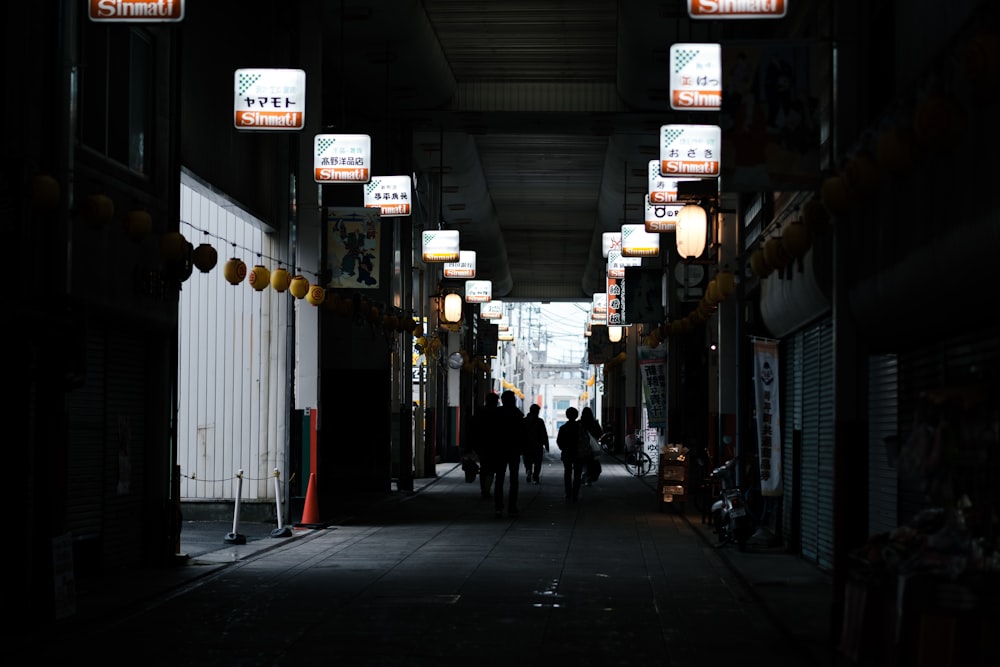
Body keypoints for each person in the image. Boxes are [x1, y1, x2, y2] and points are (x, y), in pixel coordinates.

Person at [490, 390, 527, 517]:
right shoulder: (518, 414)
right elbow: (522, 434)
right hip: (514, 450)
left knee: (499, 478)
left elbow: (491, 432)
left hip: (499, 449)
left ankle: (498, 506)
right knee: (514, 479)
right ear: (513, 400)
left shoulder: (496, 413)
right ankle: (512, 506)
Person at [467, 392, 499, 500]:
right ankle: (487, 489)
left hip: (480, 445)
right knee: (490, 468)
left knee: (484, 467)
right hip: (493, 445)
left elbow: (471, 429)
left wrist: (470, 445)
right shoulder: (497, 413)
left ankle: (483, 489)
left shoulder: (479, 412)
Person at [556, 407, 586, 502]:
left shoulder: (563, 428)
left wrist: (563, 448)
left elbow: (559, 441)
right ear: (576, 415)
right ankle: (575, 494)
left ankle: (568, 493)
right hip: (579, 453)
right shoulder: (581, 427)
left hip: (567, 453)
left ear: (567, 415)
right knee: (577, 474)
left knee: (567, 473)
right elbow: (586, 441)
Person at [522, 404, 548, 485]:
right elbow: (544, 434)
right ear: (537, 411)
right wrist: (546, 444)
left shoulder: (524, 421)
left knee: (527, 460)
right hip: (537, 445)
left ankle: (528, 471)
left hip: (526, 445)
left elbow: (520, 434)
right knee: (537, 462)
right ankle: (535, 477)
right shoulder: (540, 421)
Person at [579, 406, 603, 485]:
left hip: (582, 447)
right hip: (592, 448)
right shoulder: (594, 423)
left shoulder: (579, 423)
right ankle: (588, 478)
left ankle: (583, 475)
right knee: (592, 463)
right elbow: (600, 433)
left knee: (583, 462)